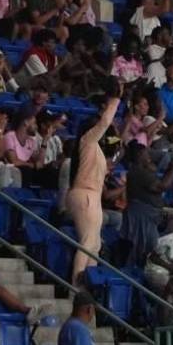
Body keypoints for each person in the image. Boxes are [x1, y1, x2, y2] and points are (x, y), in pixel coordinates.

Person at [68, 88, 122, 284]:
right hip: (84, 195)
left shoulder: (96, 150)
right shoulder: (87, 141)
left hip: (93, 197)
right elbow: (105, 122)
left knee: (95, 246)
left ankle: (88, 287)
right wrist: (115, 100)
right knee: (87, 243)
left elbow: (117, 142)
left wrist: (115, 131)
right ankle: (76, 289)